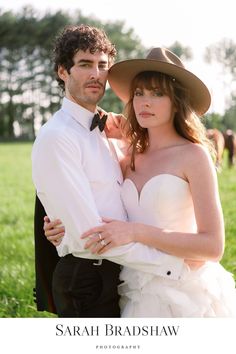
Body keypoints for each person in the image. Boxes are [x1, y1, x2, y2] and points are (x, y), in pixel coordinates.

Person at [46, 47, 236, 317]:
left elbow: (213, 246)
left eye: (158, 93)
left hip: (186, 293)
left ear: (176, 101)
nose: (145, 102)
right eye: (139, 93)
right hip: (134, 287)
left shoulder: (194, 156)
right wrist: (63, 226)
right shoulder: (128, 156)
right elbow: (100, 203)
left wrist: (136, 232)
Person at [32, 26, 185, 318]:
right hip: (88, 279)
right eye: (85, 64)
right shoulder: (57, 136)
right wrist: (171, 266)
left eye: (103, 65)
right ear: (63, 72)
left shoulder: (106, 129)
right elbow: (90, 235)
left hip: (124, 274)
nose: (96, 74)